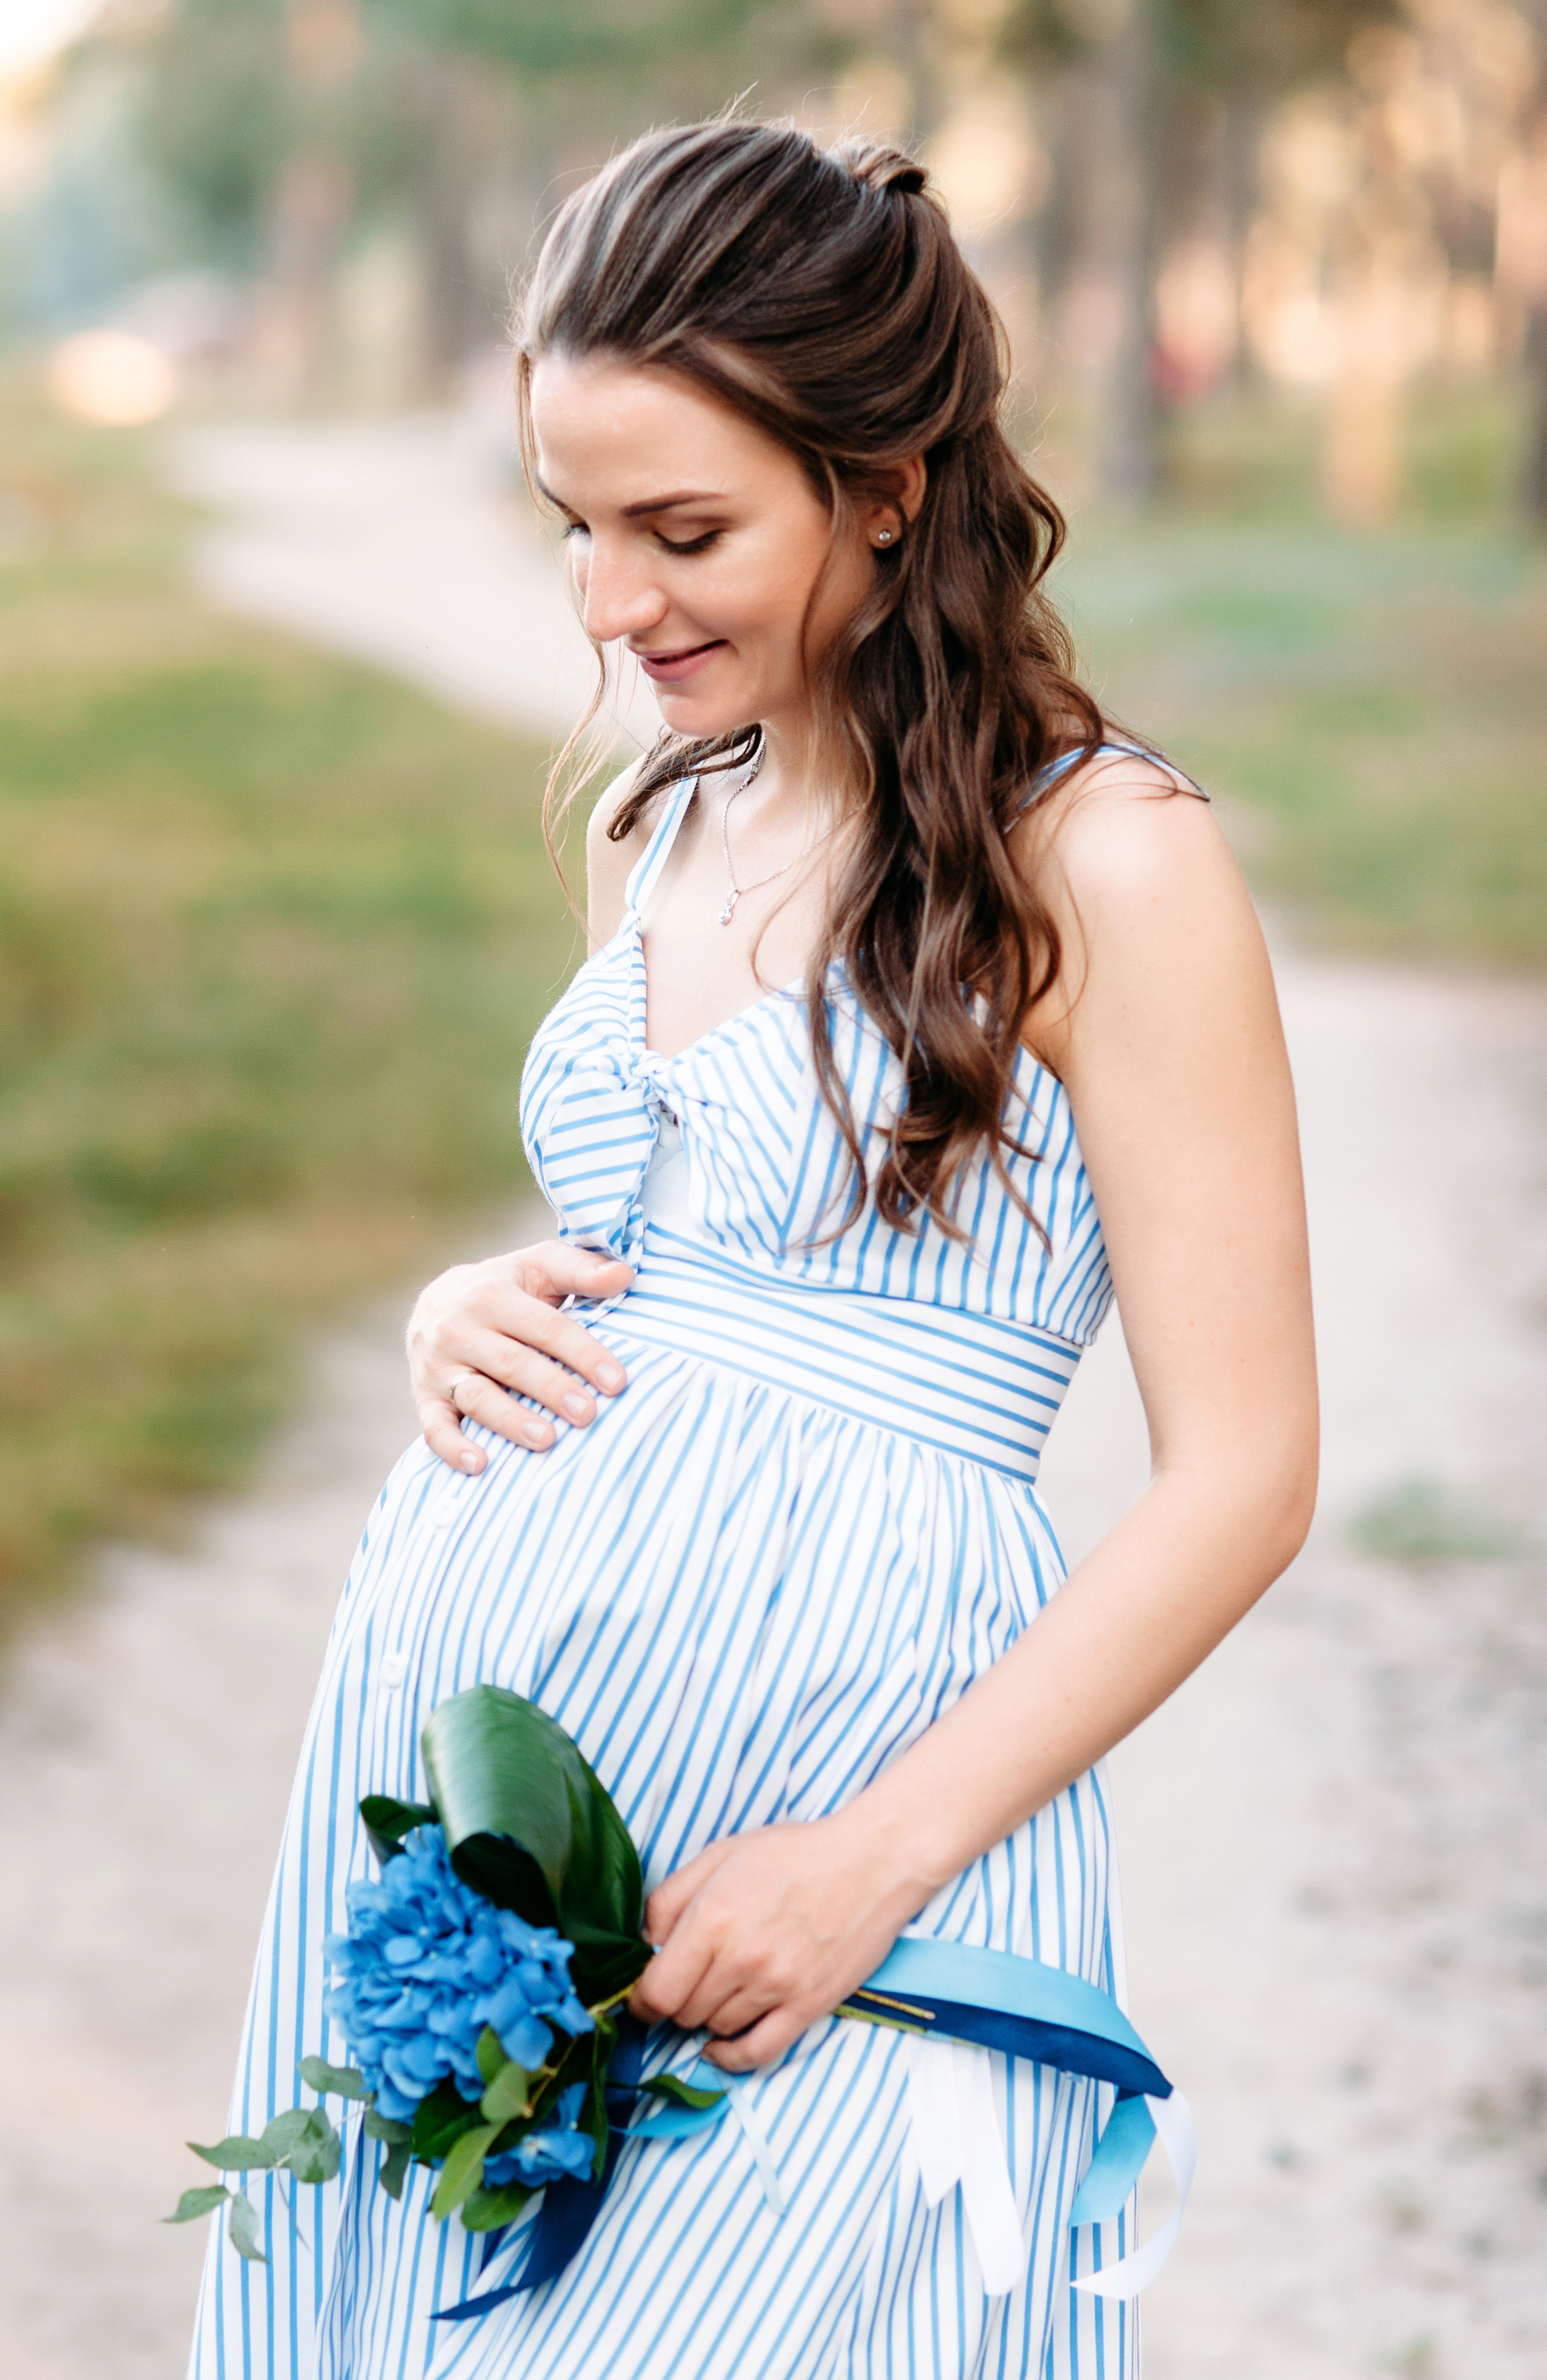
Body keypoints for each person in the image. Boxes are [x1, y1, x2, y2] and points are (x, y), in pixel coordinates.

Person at [188, 119, 1317, 2380]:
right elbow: (677, 1256)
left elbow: (1245, 1479)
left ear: (883, 486)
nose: (614, 606)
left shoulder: (1107, 862)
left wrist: (865, 1860)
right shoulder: (656, 821)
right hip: (482, 1840)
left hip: (843, 1820)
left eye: (682, 530)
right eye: (578, 530)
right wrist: (462, 1304)